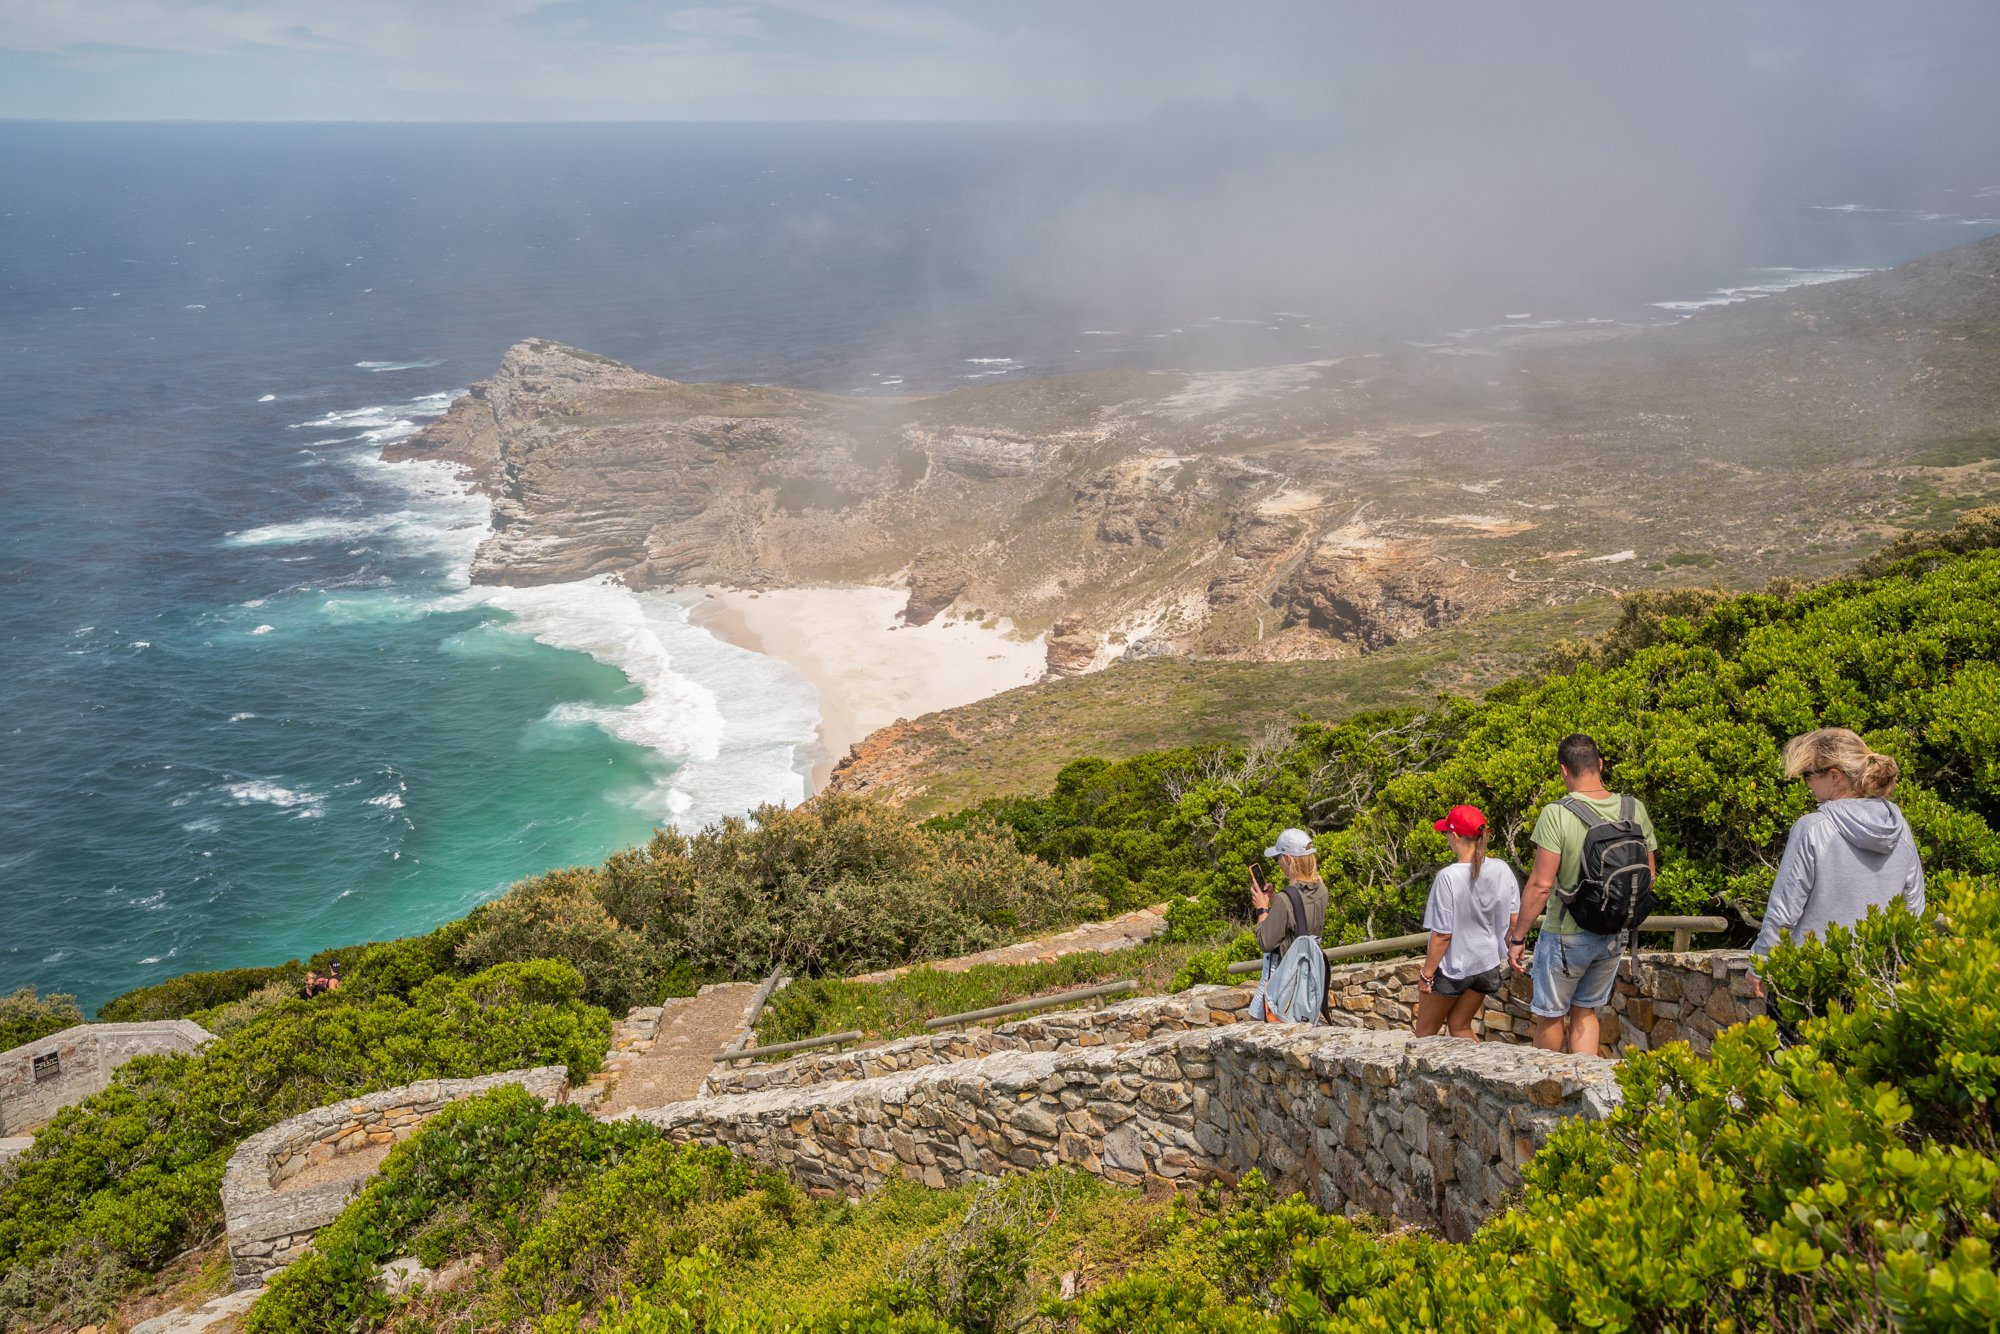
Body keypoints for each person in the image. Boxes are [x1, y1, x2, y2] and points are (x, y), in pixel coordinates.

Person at [1508, 734, 1658, 1054]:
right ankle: (1584, 1090)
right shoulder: (1634, 808)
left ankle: (1546, 1091)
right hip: (1614, 932)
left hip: (1567, 933)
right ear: (1600, 764)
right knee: (1585, 1011)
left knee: (1550, 1016)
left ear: (1564, 770)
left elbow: (1541, 885)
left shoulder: (1557, 813)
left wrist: (1518, 937)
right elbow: (1650, 875)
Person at [1749, 728, 1926, 996]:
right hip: (1879, 976)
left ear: (1834, 775)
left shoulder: (1813, 828)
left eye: (1808, 774)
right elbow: (1914, 906)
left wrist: (1760, 961)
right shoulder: (1899, 829)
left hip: (1814, 976)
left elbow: (1785, 910)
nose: (1806, 782)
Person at [1416, 805, 1520, 1039]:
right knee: (1460, 1026)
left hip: (1454, 968)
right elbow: (1513, 920)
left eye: (1447, 834)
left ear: (1455, 836)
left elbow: (1443, 934)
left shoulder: (1448, 877)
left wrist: (1426, 974)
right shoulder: (1502, 869)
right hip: (1486, 964)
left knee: (1425, 1033)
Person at [1248, 827, 1329, 1021]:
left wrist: (1263, 909)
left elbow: (1266, 942)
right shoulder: (1321, 889)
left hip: (1283, 973)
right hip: (1308, 971)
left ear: (1288, 859)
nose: (1277, 863)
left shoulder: (1287, 898)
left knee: (1258, 1026)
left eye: (1278, 858)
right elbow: (1299, 916)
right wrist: (1274, 898)